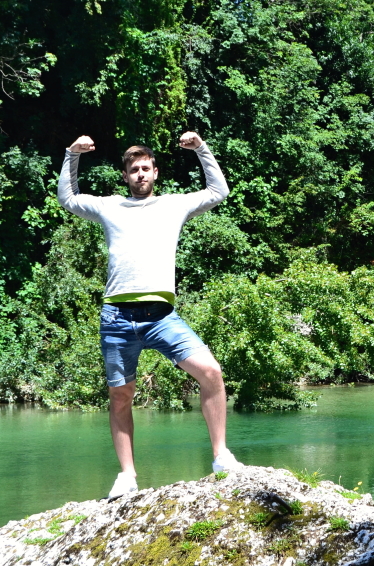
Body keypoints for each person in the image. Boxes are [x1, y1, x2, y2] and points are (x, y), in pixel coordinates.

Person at [57, 131, 242, 500]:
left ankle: (221, 456)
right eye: (134, 170)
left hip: (161, 316)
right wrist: (71, 154)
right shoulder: (110, 206)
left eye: (145, 168)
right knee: (120, 395)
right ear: (125, 176)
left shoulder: (174, 205)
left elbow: (219, 191)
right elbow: (69, 199)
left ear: (155, 172)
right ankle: (127, 476)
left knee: (211, 372)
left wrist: (201, 148)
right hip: (117, 317)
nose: (140, 174)